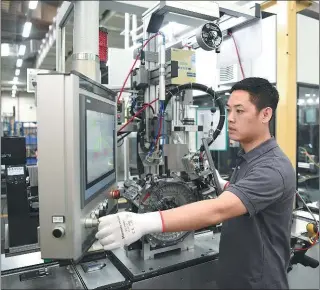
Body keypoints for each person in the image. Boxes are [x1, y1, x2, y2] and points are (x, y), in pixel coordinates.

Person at [96, 77, 296, 289]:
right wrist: (224, 184)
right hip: (236, 277)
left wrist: (142, 223)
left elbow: (218, 210)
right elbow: (244, 199)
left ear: (265, 114)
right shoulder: (249, 157)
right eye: (228, 110)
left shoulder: (273, 168)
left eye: (240, 111)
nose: (231, 119)